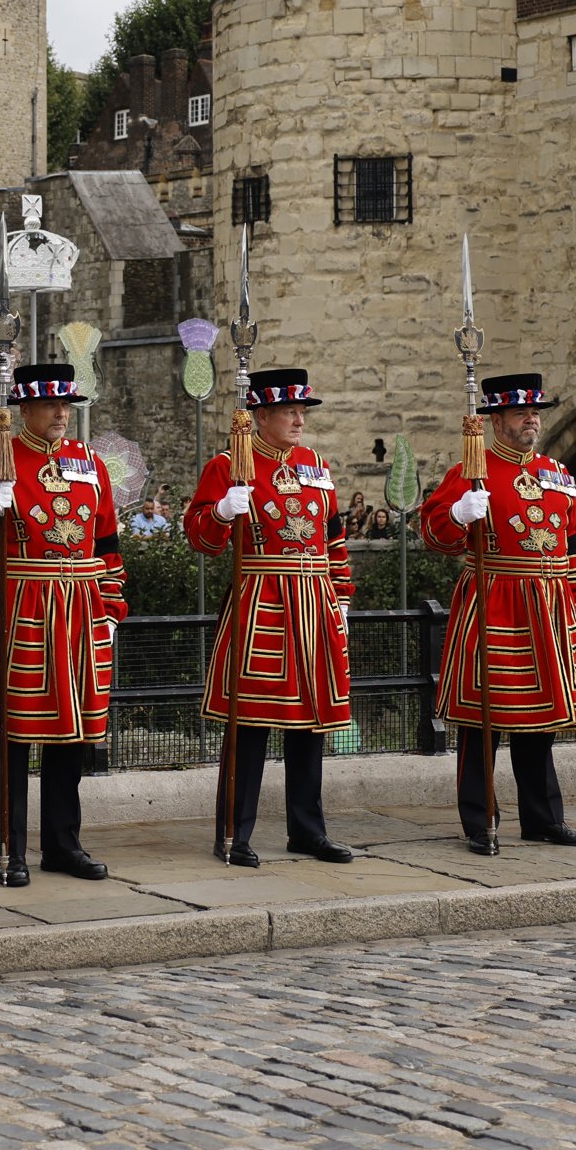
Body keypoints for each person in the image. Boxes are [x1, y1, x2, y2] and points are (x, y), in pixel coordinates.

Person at [0, 363, 126, 885]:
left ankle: (63, 845)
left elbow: (108, 542)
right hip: (22, 602)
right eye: (52, 406)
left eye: (66, 405)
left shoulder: (90, 463)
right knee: (18, 733)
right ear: (24, 410)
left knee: (72, 734)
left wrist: (112, 607)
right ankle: (13, 848)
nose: (62, 414)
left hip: (81, 605)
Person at [419, 373, 576, 854]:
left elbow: (572, 540)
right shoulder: (471, 471)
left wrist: (573, 594)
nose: (532, 420)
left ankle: (544, 818)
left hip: (547, 603)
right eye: (521, 413)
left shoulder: (557, 473)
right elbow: (434, 535)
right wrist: (458, 515)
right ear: (496, 421)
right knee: (483, 721)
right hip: (495, 599)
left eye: (536, 412)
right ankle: (480, 820)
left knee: (540, 721)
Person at [187, 368, 355, 865]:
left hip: (314, 600)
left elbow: (334, 538)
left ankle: (307, 829)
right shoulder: (230, 464)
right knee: (251, 724)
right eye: (291, 412)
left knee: (311, 722)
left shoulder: (316, 466)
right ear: (261, 416)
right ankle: (233, 834)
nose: (300, 420)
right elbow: (200, 536)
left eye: (303, 412)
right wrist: (220, 512)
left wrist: (342, 598)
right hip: (262, 599)